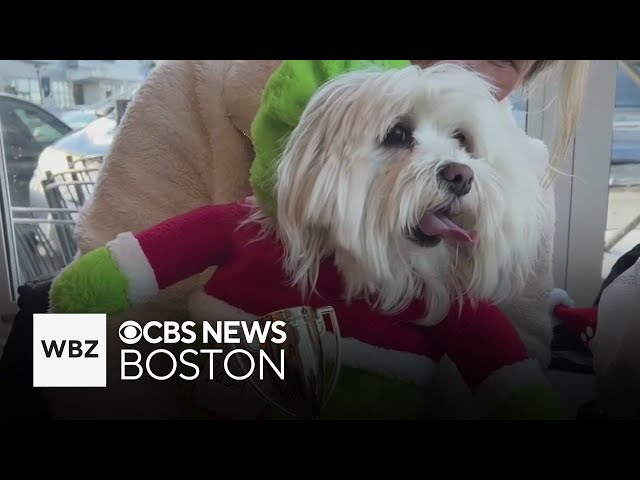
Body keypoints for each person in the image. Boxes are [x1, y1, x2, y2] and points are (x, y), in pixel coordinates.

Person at [58, 60, 589, 419]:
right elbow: (72, 340)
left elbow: (518, 366)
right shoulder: (193, 83)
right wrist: (271, 354)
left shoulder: (513, 172)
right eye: (398, 137)